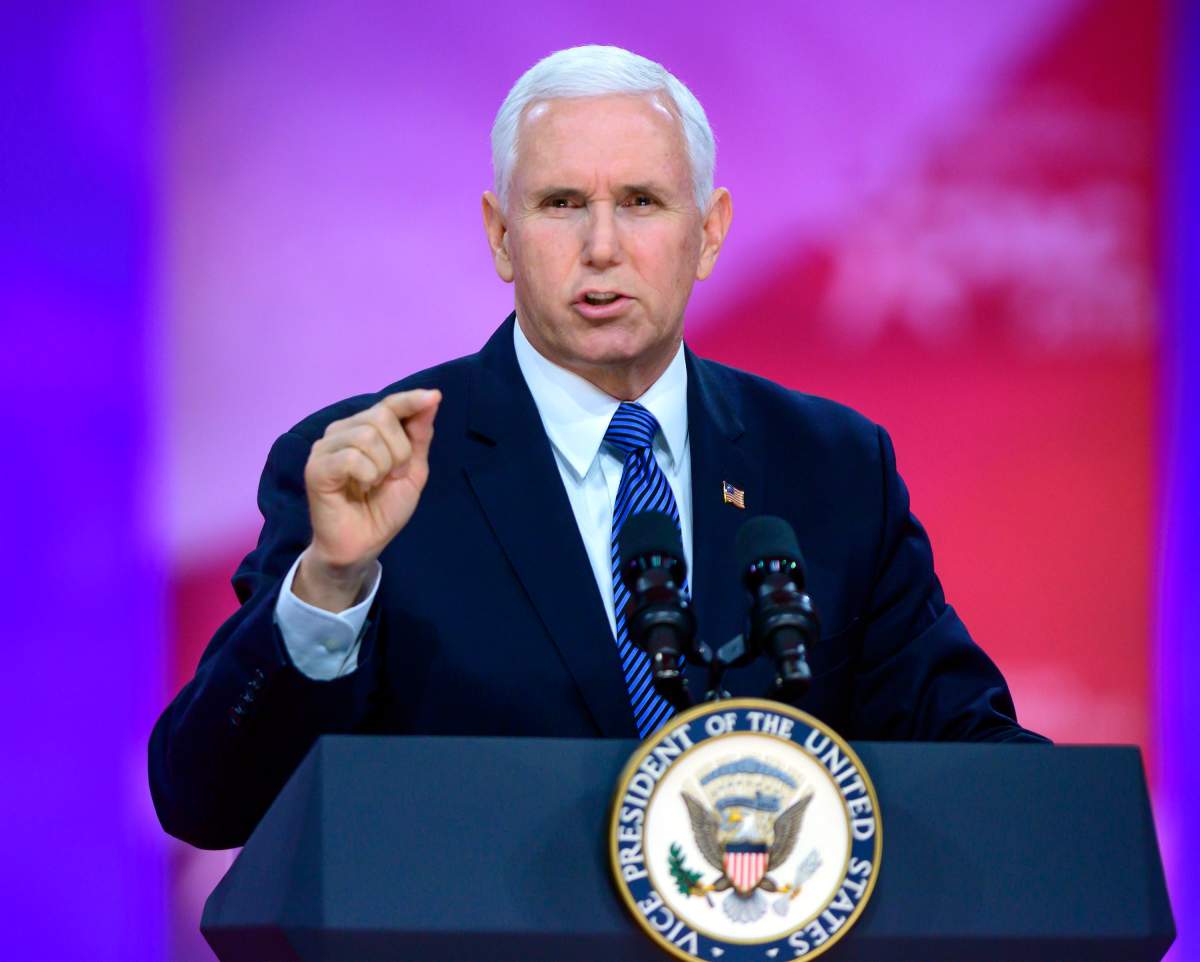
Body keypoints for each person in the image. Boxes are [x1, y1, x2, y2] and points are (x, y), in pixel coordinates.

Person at [149, 45, 1046, 851]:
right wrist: (330, 588)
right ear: (502, 236)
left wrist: (1082, 833)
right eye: (563, 204)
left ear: (711, 232)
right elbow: (208, 803)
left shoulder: (834, 466)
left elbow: (964, 753)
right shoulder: (368, 468)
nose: (603, 247)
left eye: (644, 203)